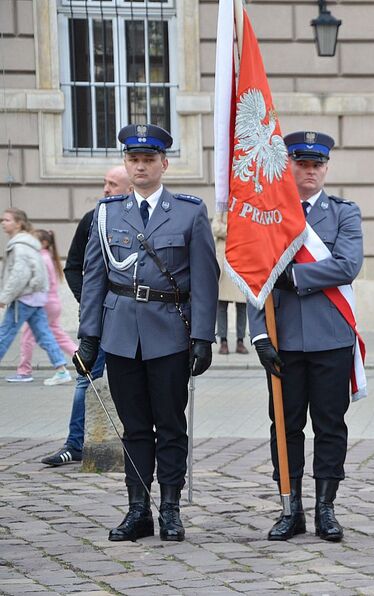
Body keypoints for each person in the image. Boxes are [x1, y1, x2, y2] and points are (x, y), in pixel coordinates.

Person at [73, 124, 218, 542]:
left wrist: (203, 337)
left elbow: (205, 279)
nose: (140, 166)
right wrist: (88, 337)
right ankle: (138, 509)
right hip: (120, 335)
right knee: (134, 427)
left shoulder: (190, 212)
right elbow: (95, 278)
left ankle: (170, 509)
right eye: (133, 159)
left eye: (148, 160)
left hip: (170, 332)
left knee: (170, 425)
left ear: (163, 164)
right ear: (125, 163)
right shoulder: (106, 214)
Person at [249, 131, 363, 543]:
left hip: (331, 337)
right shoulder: (267, 214)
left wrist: (293, 275)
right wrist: (259, 335)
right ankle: (290, 506)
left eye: (317, 164)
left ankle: (326, 508)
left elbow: (348, 265)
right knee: (285, 424)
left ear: (326, 168)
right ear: (289, 166)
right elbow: (254, 277)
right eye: (302, 163)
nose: (310, 170)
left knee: (331, 425)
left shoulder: (343, 213)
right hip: (282, 340)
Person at [39, 165, 131, 467]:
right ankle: (75, 444)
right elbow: (73, 266)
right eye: (105, 183)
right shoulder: (94, 219)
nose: (106, 189)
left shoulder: (144, 219)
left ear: (129, 189)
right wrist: (90, 303)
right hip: (100, 321)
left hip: (134, 320)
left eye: (113, 184)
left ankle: (137, 442)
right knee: (85, 379)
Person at [0, 208, 73, 386]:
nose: (3, 223)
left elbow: (19, 274)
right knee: (45, 335)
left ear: (19, 223)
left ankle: (56, 371)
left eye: (7, 220)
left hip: (24, 299)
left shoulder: (20, 245)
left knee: (5, 334)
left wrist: (5, 297)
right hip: (35, 300)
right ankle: (62, 370)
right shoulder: (30, 244)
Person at [212, 212, 248, 355]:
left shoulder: (245, 206)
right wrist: (234, 230)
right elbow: (215, 228)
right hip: (224, 263)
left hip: (242, 260)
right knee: (221, 305)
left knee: (242, 305)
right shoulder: (221, 206)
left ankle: (240, 341)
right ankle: (223, 341)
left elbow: (249, 230)